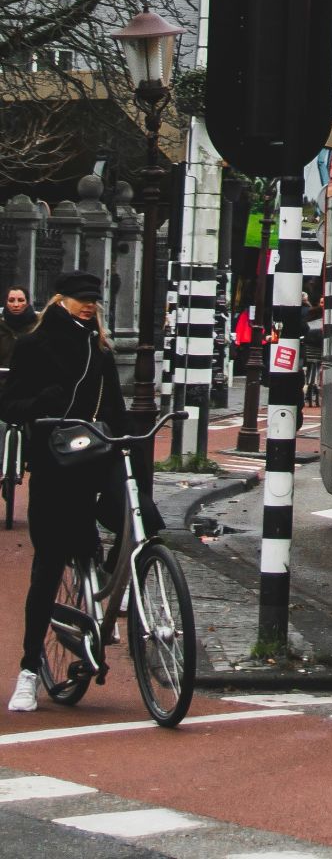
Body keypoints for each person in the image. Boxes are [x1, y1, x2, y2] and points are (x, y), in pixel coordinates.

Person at [0, 270, 147, 713]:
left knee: (142, 514)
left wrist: (132, 442)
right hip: (54, 463)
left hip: (95, 458)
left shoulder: (98, 350)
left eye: (93, 300)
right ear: (60, 299)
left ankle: (111, 584)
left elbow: (115, 410)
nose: (89, 305)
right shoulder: (33, 345)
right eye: (81, 298)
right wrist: (41, 404)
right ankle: (29, 670)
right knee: (47, 566)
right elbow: (9, 405)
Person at [0, 285, 32, 368]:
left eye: (21, 300)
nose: (16, 304)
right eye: (11, 300)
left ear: (27, 303)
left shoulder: (37, 327)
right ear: (6, 303)